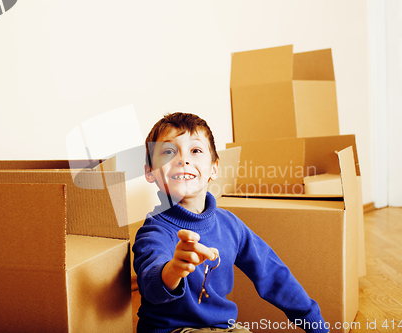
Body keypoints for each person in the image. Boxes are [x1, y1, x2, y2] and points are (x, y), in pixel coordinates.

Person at [133, 112, 329, 333]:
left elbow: (272, 273)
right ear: (150, 172)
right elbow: (150, 282)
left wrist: (315, 323)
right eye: (169, 151)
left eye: (195, 151)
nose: (183, 159)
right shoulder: (153, 232)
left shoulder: (230, 225)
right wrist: (173, 270)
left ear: (214, 168)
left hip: (223, 327)